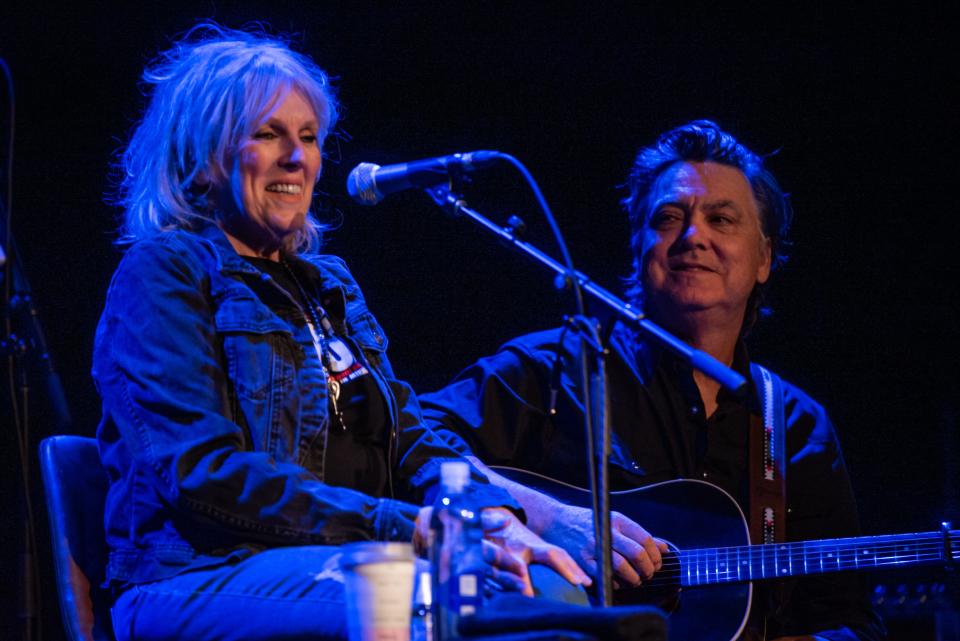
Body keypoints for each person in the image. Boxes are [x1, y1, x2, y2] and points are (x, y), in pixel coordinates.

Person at [93, 23, 589, 641]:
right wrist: (401, 526)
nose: (297, 158)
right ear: (201, 162)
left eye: (307, 137)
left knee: (547, 589)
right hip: (196, 575)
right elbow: (201, 471)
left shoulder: (327, 284)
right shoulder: (163, 273)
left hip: (349, 560)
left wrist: (489, 517)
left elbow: (410, 440)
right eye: (267, 134)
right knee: (432, 605)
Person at [420, 121, 886, 640]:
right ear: (638, 246)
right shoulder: (555, 368)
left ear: (764, 259)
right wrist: (545, 516)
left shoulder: (796, 428)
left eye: (722, 219)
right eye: (668, 218)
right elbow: (411, 445)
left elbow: (850, 621)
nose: (693, 237)